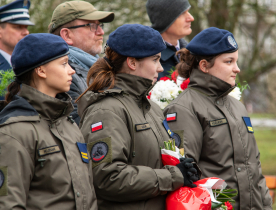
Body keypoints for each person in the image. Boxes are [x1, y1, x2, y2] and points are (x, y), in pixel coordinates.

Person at [77, 24, 199, 210]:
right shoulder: (107, 110)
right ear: (132, 63)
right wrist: (172, 176)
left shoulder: (151, 108)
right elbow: (107, 178)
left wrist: (182, 167)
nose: (160, 68)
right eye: (155, 60)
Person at [0, 33, 97, 210]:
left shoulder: (68, 124)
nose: (72, 70)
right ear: (41, 70)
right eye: (64, 63)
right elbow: (1, 205)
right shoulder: (11, 135)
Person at [163, 27, 273, 210]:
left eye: (236, 61)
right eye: (229, 62)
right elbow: (187, 178)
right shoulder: (183, 109)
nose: (236, 69)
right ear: (204, 66)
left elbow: (254, 168)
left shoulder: (237, 106)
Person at [48, 0, 114, 125]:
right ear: (67, 35)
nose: (101, 32)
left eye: (100, 25)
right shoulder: (63, 76)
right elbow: (83, 128)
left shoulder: (98, 66)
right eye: (92, 25)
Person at [146, 0, 194, 82]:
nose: (191, 18)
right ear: (164, 20)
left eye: (188, 12)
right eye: (182, 13)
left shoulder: (194, 53)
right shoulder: (147, 59)